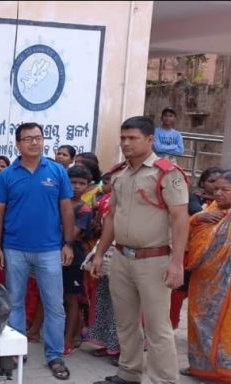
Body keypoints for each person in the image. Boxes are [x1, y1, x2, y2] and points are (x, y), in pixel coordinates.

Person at [90, 116, 189, 384]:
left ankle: (163, 380)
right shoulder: (120, 172)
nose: (126, 143)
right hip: (122, 257)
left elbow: (180, 219)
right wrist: (100, 254)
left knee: (158, 327)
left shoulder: (167, 173)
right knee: (125, 323)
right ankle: (129, 373)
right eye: (123, 138)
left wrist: (176, 263)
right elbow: (112, 216)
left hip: (155, 260)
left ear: (150, 139)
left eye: (132, 138)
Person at [0, 122, 75, 380]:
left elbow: (66, 209)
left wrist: (68, 243)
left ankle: (54, 355)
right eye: (28, 139)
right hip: (14, 248)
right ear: (18, 143)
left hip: (50, 249)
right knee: (14, 302)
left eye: (38, 138)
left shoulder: (57, 172)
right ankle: (17, 352)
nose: (34, 143)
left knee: (54, 305)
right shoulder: (7, 175)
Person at [181, 171, 231, 382]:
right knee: (198, 321)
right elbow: (193, 236)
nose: (217, 193)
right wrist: (196, 219)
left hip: (226, 284)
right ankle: (201, 367)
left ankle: (225, 369)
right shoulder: (210, 209)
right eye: (216, 188)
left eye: (224, 190)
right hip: (203, 280)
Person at [171, 166, 223, 329]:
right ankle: (171, 324)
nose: (216, 186)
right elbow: (187, 220)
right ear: (202, 183)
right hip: (189, 254)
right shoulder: (194, 199)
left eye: (221, 183)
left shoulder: (222, 204)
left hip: (215, 262)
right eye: (212, 181)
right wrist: (199, 217)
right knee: (178, 294)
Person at [87, 172, 120, 364]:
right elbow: (102, 227)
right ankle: (106, 344)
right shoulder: (105, 201)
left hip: (124, 255)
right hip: (106, 252)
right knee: (103, 300)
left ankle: (121, 349)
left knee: (122, 306)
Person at [63, 165, 96, 356]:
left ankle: (68, 339)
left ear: (88, 186)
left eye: (81, 183)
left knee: (71, 298)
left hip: (74, 257)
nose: (76, 186)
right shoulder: (60, 203)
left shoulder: (84, 208)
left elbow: (72, 234)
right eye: (72, 182)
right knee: (52, 296)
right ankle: (34, 332)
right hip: (54, 253)